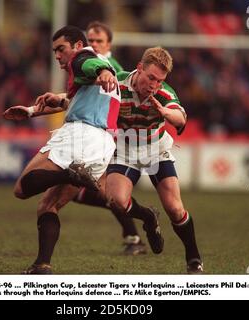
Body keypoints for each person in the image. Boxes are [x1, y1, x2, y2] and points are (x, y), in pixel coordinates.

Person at [3, 26, 162, 274]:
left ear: (77, 45)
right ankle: (42, 265)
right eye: (54, 50)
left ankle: (70, 174)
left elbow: (89, 66)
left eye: (60, 49)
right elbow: (81, 92)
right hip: (103, 144)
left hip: (79, 134)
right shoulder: (103, 72)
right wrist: (33, 110)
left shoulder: (83, 58)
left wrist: (104, 71)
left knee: (22, 189)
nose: (57, 55)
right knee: (49, 205)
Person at [105, 47, 203, 274]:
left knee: (175, 209)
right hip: (125, 151)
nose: (154, 85)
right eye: (150, 77)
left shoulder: (164, 94)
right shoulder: (117, 84)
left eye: (159, 80)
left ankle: (194, 259)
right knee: (116, 201)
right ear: (139, 68)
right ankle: (148, 217)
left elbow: (179, 117)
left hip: (155, 150)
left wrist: (167, 114)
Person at [70, 21, 147, 256]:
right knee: (85, 190)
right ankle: (133, 234)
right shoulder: (89, 64)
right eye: (90, 40)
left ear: (109, 44)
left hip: (107, 137)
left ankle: (135, 232)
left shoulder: (109, 67)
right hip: (99, 136)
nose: (94, 44)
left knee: (84, 189)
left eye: (99, 41)